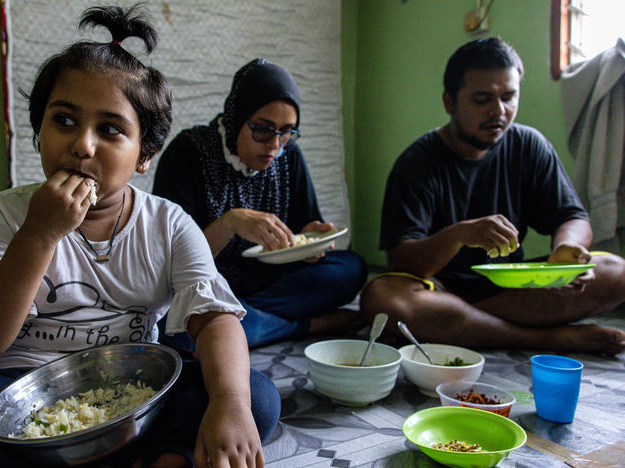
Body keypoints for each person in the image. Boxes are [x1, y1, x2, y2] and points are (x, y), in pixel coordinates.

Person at [0, 6, 279, 468]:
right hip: (11, 385)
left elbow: (214, 320)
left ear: (145, 154)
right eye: (64, 121)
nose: (82, 145)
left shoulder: (167, 223)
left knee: (255, 397)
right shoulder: (6, 212)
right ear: (39, 130)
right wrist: (40, 233)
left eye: (109, 129)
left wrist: (229, 405)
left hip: (130, 390)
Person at [360, 37, 625, 355]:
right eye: (482, 99)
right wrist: (459, 235)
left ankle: (462, 328)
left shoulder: (529, 145)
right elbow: (402, 261)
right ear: (449, 102)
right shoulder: (417, 163)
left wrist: (567, 248)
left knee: (615, 271)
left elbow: (572, 217)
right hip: (437, 289)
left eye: (509, 97)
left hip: (510, 289)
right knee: (383, 298)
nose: (499, 111)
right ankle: (544, 338)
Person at [152, 58, 367, 350]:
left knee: (351, 268)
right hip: (207, 286)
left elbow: (303, 230)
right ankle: (302, 325)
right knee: (171, 325)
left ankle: (240, 317)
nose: (275, 144)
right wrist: (230, 223)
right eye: (263, 129)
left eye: (287, 131)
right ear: (237, 118)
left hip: (270, 285)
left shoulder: (289, 155)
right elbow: (172, 270)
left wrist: (311, 242)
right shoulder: (188, 153)